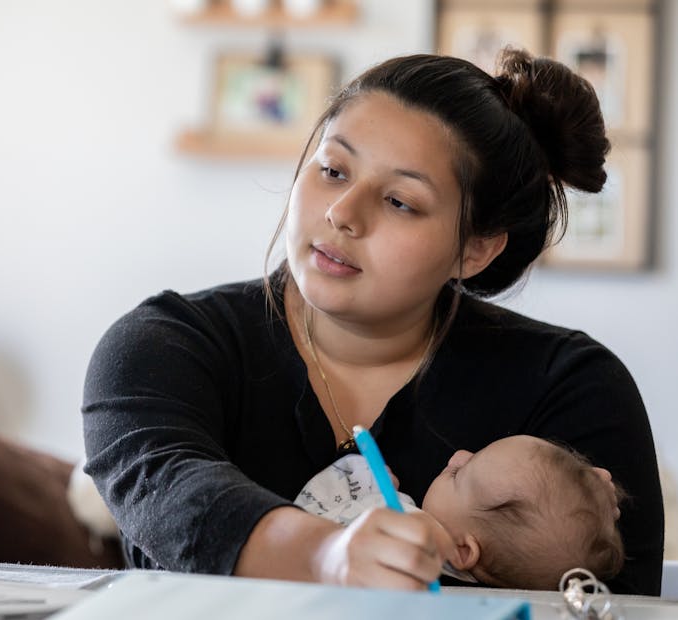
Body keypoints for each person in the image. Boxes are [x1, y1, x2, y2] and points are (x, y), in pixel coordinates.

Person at [81, 48, 664, 594]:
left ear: (476, 250)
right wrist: (327, 558)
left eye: (400, 202)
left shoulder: (572, 389)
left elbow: (611, 603)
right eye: (333, 170)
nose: (342, 213)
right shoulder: (163, 346)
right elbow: (175, 495)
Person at [295, 435, 625, 590]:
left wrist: (362, 476)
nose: (458, 455)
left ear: (463, 549)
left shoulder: (399, 526)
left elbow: (309, 512)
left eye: (459, 474)